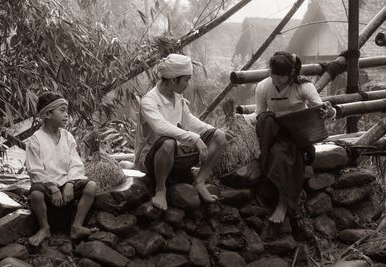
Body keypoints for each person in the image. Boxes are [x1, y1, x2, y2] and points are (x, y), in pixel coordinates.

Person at [246, 51, 336, 225]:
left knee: (281, 156)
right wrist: (239, 120)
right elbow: (259, 114)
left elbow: (321, 109)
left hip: (297, 135)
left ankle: (283, 204)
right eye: (273, 74)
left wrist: (329, 111)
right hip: (272, 134)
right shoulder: (264, 87)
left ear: (291, 74)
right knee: (268, 124)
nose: (276, 79)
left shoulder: (303, 86)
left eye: (281, 76)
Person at [134, 53, 228, 210]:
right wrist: (194, 139)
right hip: (152, 159)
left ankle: (199, 182)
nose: (187, 84)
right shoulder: (149, 101)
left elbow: (189, 121)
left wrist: (211, 131)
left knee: (219, 136)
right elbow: (160, 127)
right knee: (168, 143)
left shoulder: (177, 97)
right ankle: (160, 189)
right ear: (173, 80)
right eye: (186, 79)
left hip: (176, 155)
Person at [26, 92, 97, 246]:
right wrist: (53, 188)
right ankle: (45, 228)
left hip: (66, 185)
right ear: (47, 114)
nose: (67, 115)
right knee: (36, 193)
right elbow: (35, 171)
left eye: (67, 111)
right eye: (62, 110)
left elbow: (76, 164)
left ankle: (77, 226)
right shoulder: (35, 140)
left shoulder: (67, 137)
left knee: (91, 186)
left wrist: (70, 184)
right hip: (47, 186)